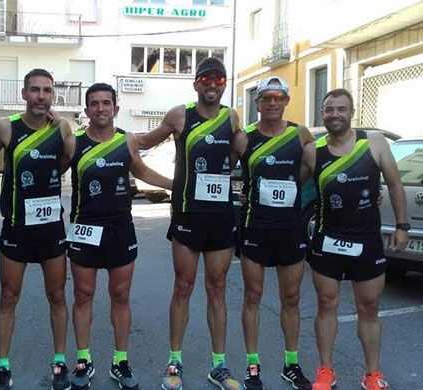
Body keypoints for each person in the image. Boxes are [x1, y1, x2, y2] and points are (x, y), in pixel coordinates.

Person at [137, 57, 242, 390]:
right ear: (196, 84)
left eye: (219, 80)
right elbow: (143, 142)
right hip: (188, 215)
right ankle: (174, 361)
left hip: (222, 217)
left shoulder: (233, 117)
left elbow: (238, 155)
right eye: (206, 79)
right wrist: (105, 134)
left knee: (218, 288)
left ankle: (219, 366)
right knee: (183, 287)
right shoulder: (179, 115)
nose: (212, 85)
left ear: (224, 84)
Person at [66, 83, 172, 390]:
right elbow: (50, 172)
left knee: (121, 296)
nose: (100, 108)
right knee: (83, 295)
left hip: (120, 228)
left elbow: (142, 171)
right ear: (86, 110)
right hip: (84, 227)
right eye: (94, 103)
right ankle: (83, 360)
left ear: (116, 108)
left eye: (106, 103)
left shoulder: (126, 140)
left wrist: (178, 185)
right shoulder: (74, 144)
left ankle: (120, 361)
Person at [303, 88, 408, 390]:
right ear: (322, 114)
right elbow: (292, 181)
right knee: (326, 303)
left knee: (370, 306)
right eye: (328, 109)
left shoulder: (373, 142)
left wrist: (401, 225)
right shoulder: (314, 150)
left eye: (340, 109)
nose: (334, 114)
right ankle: (325, 370)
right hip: (327, 239)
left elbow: (395, 184)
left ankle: (372, 373)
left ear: (351, 112)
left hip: (367, 240)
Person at [0, 68, 73, 390]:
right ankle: (3, 364)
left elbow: (66, 163)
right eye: (35, 90)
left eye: (47, 90)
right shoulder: (6, 128)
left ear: (53, 96)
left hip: (51, 229)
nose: (41, 96)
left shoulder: (62, 129)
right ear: (24, 94)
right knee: (9, 296)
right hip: (16, 228)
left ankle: (60, 362)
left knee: (57, 295)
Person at [232, 77, 313, 390]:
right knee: (253, 296)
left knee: (291, 298)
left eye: (279, 97)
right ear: (258, 102)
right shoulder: (245, 137)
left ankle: (291, 364)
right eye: (266, 97)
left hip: (290, 228)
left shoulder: (300, 134)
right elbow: (220, 168)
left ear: (286, 101)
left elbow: (313, 168)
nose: (273, 103)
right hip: (256, 226)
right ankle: (253, 366)